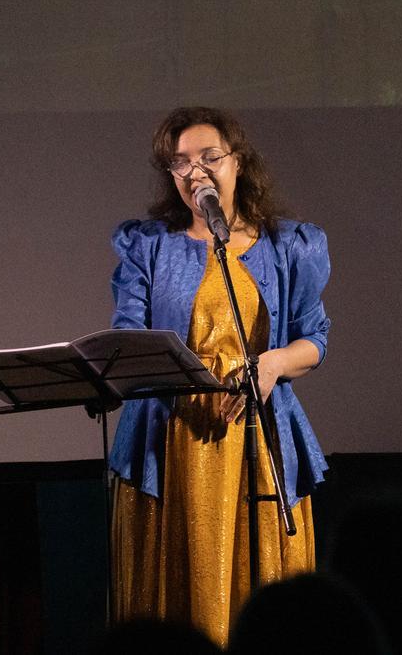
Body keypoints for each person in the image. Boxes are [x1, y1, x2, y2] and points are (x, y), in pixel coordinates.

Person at [106, 106, 332, 646]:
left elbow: (314, 339)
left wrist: (274, 363)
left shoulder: (287, 246)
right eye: (180, 163)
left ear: (238, 162)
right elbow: (127, 335)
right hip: (171, 441)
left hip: (260, 438)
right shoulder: (150, 246)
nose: (196, 172)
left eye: (210, 158)